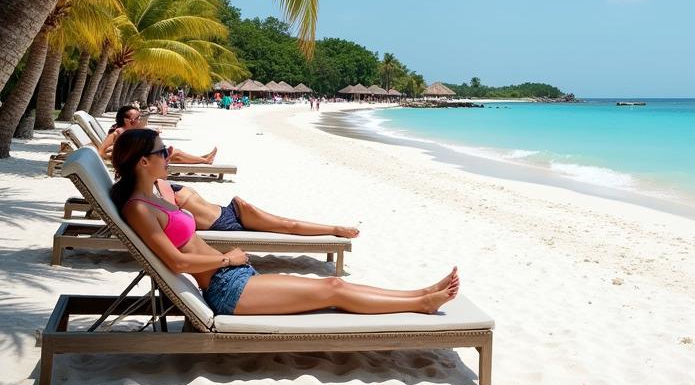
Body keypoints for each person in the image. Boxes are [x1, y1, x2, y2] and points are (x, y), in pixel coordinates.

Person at [110, 128, 458, 316]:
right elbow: (176, 261)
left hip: (235, 276)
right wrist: (226, 258)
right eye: (162, 152)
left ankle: (421, 293)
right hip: (226, 290)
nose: (168, 155)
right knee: (332, 290)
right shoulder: (139, 209)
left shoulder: (155, 195)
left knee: (332, 288)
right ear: (143, 162)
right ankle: (420, 304)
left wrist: (231, 261)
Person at [154, 177, 360, 240]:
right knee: (287, 225)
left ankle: (335, 229)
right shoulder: (157, 194)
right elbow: (174, 218)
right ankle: (335, 229)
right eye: (160, 153)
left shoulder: (162, 183)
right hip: (226, 222)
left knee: (286, 224)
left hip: (229, 212)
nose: (165, 157)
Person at [100, 105, 217, 165]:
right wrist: (115, 152)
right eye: (137, 118)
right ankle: (205, 160)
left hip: (144, 157)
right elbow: (102, 151)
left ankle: (203, 158)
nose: (139, 120)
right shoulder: (117, 132)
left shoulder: (131, 130)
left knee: (176, 153)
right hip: (139, 162)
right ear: (127, 120)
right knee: (176, 153)